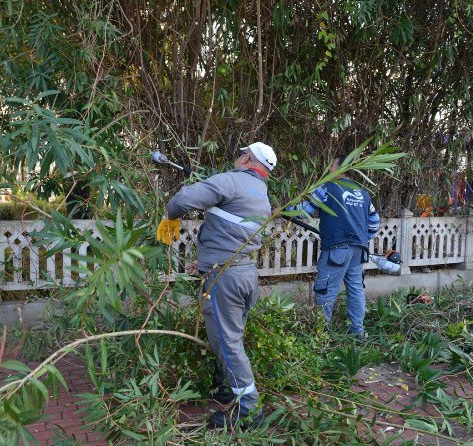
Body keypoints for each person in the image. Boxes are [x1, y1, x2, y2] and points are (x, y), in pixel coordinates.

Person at [156, 142, 277, 427]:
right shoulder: (261, 192)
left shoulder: (233, 181)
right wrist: (205, 263)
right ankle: (226, 386)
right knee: (231, 338)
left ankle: (249, 410)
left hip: (226, 279)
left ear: (247, 157)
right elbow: (233, 235)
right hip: (244, 273)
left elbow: (184, 199)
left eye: (240, 153)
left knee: (228, 342)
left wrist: (169, 216)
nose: (237, 157)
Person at [286, 154, 380, 338]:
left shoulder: (328, 188)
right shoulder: (363, 193)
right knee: (356, 290)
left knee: (326, 290)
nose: (328, 169)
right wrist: (361, 237)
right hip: (358, 250)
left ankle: (321, 336)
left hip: (337, 250)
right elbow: (375, 223)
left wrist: (283, 211)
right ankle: (357, 332)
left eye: (331, 166)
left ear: (340, 169)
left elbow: (304, 211)